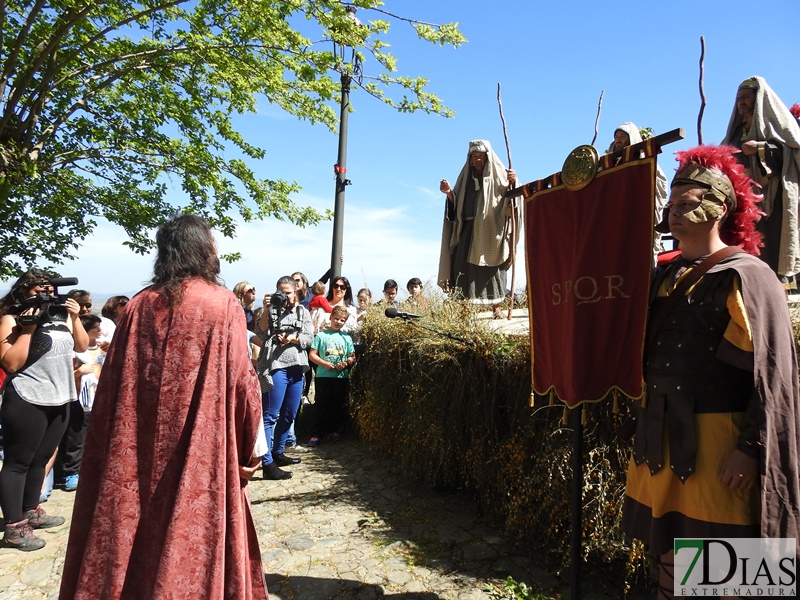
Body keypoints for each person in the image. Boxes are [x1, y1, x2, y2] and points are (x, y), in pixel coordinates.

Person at [622, 145, 800, 599]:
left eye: (688, 203)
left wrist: (751, 447)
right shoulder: (663, 276)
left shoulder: (748, 275)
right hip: (660, 436)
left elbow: (772, 376)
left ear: (721, 208)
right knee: (669, 556)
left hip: (719, 442)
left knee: (719, 565)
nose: (675, 213)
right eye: (672, 204)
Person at [59, 214, 268, 599]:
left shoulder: (139, 305)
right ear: (204, 250)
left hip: (134, 451)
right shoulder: (222, 305)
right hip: (202, 450)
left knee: (131, 528)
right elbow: (244, 386)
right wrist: (250, 449)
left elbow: (112, 387)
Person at [0, 268, 88, 551]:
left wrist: (74, 317)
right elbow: (11, 364)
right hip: (28, 397)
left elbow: (83, 345)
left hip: (60, 397)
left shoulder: (59, 317)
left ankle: (31, 511)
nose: (46, 293)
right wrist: (27, 330)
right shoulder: (10, 319)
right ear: (24, 291)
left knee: (40, 460)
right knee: (17, 464)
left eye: (49, 288)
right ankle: (14, 527)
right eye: (39, 288)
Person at [721, 76, 800, 281]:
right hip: (741, 200)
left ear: (758, 99)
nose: (741, 102)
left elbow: (792, 152)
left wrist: (761, 148)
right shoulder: (736, 132)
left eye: (746, 97)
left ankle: (771, 286)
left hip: (769, 200)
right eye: (739, 99)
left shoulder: (774, 126)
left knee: (768, 244)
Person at [438, 139, 522, 318]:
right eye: (474, 156)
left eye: (480, 157)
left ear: (487, 158)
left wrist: (514, 183)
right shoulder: (465, 179)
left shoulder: (501, 178)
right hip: (466, 230)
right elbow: (456, 204)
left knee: (493, 268)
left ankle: (496, 306)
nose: (477, 160)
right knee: (461, 268)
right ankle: (464, 310)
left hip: (491, 231)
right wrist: (448, 194)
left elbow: (513, 202)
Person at [254, 276, 313, 480]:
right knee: (270, 415)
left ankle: (278, 452)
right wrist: (264, 310)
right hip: (276, 366)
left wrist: (292, 339)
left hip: (296, 366)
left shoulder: (302, 312)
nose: (284, 296)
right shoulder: (270, 310)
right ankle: (267, 462)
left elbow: (308, 338)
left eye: (288, 292)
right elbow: (260, 335)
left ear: (296, 292)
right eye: (281, 291)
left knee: (289, 413)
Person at [607, 122, 669, 260]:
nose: (618, 140)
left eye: (622, 136)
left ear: (631, 137)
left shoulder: (645, 163)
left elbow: (659, 188)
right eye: (616, 136)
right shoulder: (610, 164)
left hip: (637, 214)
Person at [60, 314, 105, 492]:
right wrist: (80, 372)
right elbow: (65, 375)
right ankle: (72, 472)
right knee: (77, 437)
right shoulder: (75, 352)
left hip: (98, 398)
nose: (100, 331)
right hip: (80, 400)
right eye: (95, 328)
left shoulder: (102, 349)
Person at [307, 306, 356, 447]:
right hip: (323, 375)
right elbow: (312, 354)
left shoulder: (346, 338)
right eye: (336, 319)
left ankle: (334, 431)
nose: (339, 322)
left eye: (342, 320)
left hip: (340, 376)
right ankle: (316, 433)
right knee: (321, 404)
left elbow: (352, 356)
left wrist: (346, 363)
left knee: (337, 404)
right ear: (330, 318)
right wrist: (324, 364)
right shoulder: (321, 336)